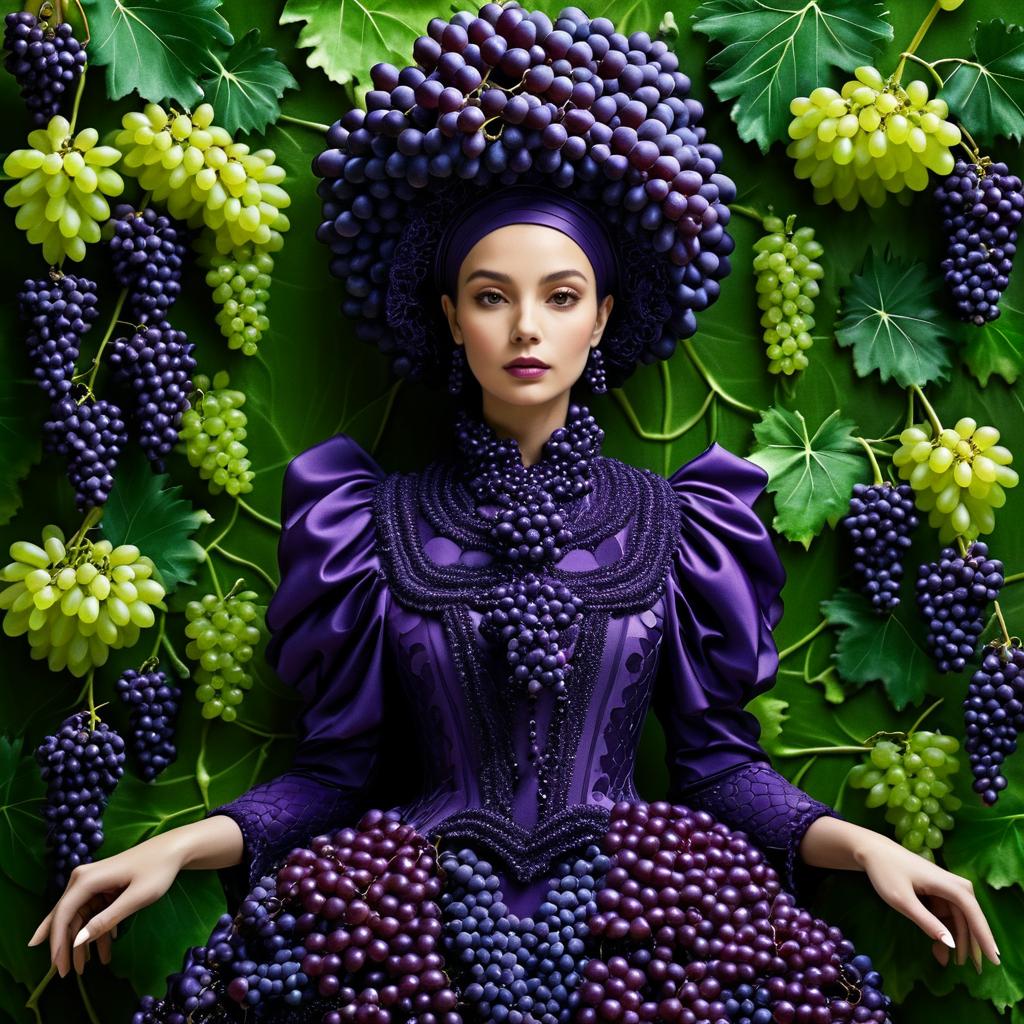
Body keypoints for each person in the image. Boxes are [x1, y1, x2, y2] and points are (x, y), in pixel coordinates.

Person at [27, 3, 998, 1015]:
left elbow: (717, 766)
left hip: (651, 923)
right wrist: (179, 845)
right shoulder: (366, 521)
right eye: (491, 296)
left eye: (561, 295)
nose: (525, 327)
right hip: (405, 926)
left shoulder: (683, 521)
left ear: (605, 315)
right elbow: (333, 773)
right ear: (449, 316)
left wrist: (866, 848)